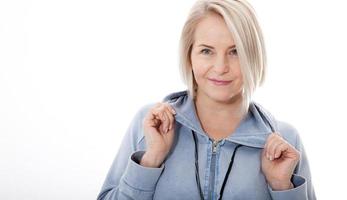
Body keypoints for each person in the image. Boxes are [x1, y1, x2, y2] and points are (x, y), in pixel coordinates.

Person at [97, 0, 316, 199]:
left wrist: (282, 186)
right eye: (206, 51)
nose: (220, 68)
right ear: (189, 55)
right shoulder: (151, 125)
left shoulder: (285, 141)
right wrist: (150, 160)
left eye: (235, 51)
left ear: (252, 56)